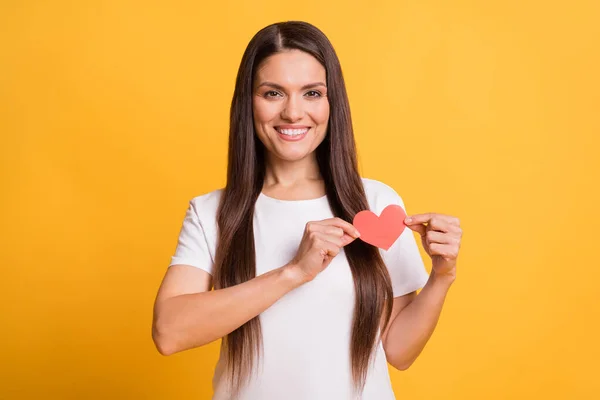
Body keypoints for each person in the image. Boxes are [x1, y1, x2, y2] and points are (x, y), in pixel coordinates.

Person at [152, 21, 462, 400]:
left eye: (312, 93)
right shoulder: (212, 213)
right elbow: (169, 333)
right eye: (273, 93)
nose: (293, 112)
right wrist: (293, 272)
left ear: (332, 104)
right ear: (248, 102)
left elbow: (398, 350)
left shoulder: (375, 204)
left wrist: (441, 277)